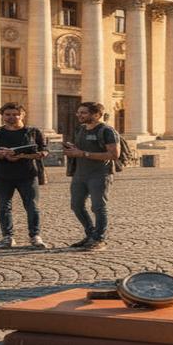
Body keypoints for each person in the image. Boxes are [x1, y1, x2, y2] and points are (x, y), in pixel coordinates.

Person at [0, 102, 49, 249]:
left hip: (28, 174)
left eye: (15, 114)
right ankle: (7, 237)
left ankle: (35, 236)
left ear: (23, 115)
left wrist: (23, 155)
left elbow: (44, 151)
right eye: (7, 114)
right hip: (2, 175)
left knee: (32, 206)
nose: (11, 117)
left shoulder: (33, 132)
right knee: (4, 207)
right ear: (2, 116)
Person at [63, 101, 119, 251]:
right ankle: (90, 234)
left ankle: (99, 238)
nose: (79, 115)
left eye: (83, 113)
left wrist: (83, 153)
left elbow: (113, 154)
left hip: (100, 174)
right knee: (76, 205)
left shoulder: (107, 131)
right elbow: (81, 149)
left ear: (97, 115)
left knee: (98, 207)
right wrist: (74, 150)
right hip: (80, 174)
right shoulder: (81, 129)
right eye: (78, 112)